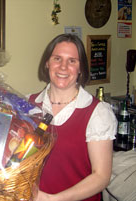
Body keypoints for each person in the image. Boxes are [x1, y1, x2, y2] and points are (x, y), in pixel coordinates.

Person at [29, 34, 117, 201]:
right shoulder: (28, 105)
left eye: (72, 61)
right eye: (57, 58)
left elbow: (101, 176)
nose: (63, 67)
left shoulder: (98, 113)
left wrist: (52, 199)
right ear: (47, 63)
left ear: (81, 68)